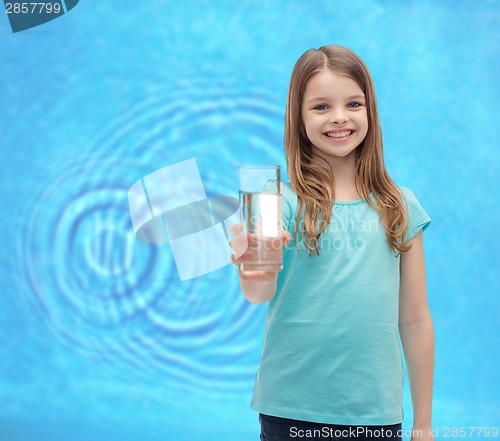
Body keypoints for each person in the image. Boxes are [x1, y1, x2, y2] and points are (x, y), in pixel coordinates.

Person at [229, 45, 434, 441]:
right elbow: (259, 291)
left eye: (353, 103)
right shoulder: (274, 199)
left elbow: (415, 318)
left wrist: (423, 424)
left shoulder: (400, 205)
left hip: (374, 414)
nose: (339, 117)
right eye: (321, 107)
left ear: (369, 111)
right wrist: (251, 264)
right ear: (298, 117)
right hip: (290, 409)